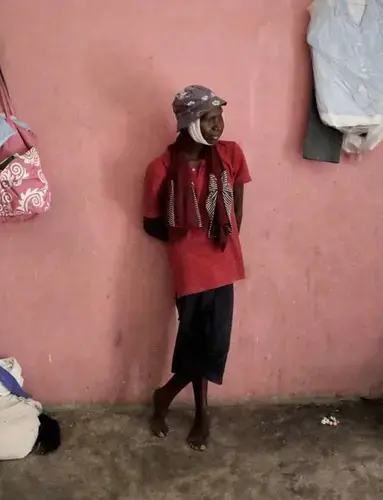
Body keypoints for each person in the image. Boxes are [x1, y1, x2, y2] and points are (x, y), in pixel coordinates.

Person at [141, 85, 251, 451]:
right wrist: (184, 238)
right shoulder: (160, 168)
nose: (218, 126)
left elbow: (236, 212)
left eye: (219, 117)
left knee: (214, 343)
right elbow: (151, 222)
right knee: (194, 343)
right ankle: (201, 412)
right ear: (190, 123)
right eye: (208, 118)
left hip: (223, 262)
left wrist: (215, 233)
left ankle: (166, 395)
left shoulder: (231, 154)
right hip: (189, 268)